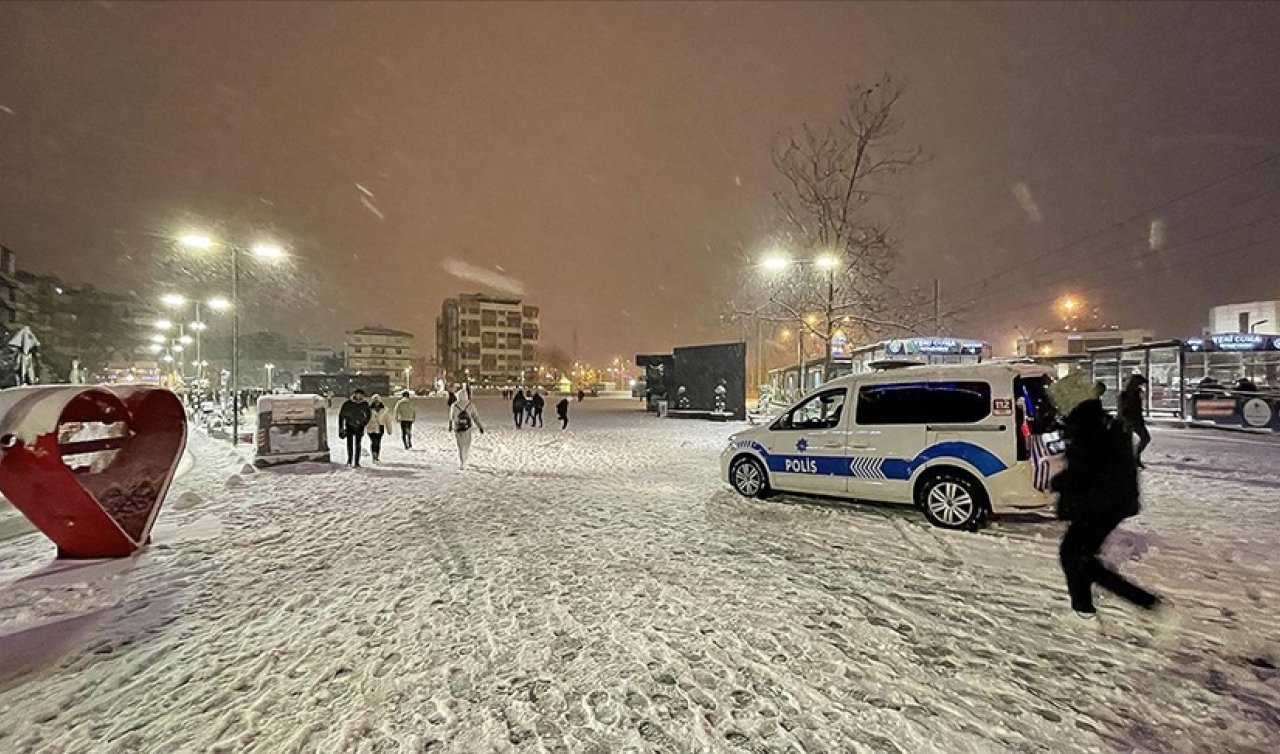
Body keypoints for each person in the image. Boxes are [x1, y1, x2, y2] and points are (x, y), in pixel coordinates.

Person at [1051, 392, 1161, 622]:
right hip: (1110, 501)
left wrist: (1060, 482)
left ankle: (1144, 602)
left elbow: (1087, 470)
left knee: (1077, 556)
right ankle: (1083, 608)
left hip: (1102, 503)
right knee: (1076, 555)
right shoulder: (1102, 424)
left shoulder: (1088, 428)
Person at [1117, 374, 1151, 468]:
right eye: (1139, 384)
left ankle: (1134, 458)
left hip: (1134, 420)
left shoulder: (1133, 394)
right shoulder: (1126, 395)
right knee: (1133, 441)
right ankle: (1132, 459)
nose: (1140, 386)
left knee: (1143, 439)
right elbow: (1122, 409)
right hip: (1130, 420)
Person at [449, 387, 485, 468]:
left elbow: (451, 417)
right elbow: (476, 417)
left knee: (460, 445)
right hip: (467, 428)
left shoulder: (454, 405)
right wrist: (480, 426)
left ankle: (461, 461)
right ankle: (465, 459)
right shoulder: (470, 405)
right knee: (467, 444)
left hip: (457, 428)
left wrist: (450, 426)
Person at [338, 389, 372, 467]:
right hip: (349, 425)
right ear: (354, 394)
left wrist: (363, 423)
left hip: (359, 426)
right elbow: (341, 416)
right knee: (349, 443)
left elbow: (368, 416)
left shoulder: (364, 404)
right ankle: (349, 460)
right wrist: (341, 427)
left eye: (361, 395)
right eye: (358, 394)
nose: (359, 396)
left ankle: (357, 462)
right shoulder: (348, 403)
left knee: (358, 444)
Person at [365, 394, 392, 463]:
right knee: (374, 442)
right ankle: (374, 456)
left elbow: (387, 420)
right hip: (371, 427)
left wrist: (389, 429)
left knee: (378, 442)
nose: (376, 402)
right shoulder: (368, 409)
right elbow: (365, 419)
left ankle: (377, 456)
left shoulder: (385, 410)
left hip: (380, 427)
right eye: (375, 401)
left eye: (377, 401)